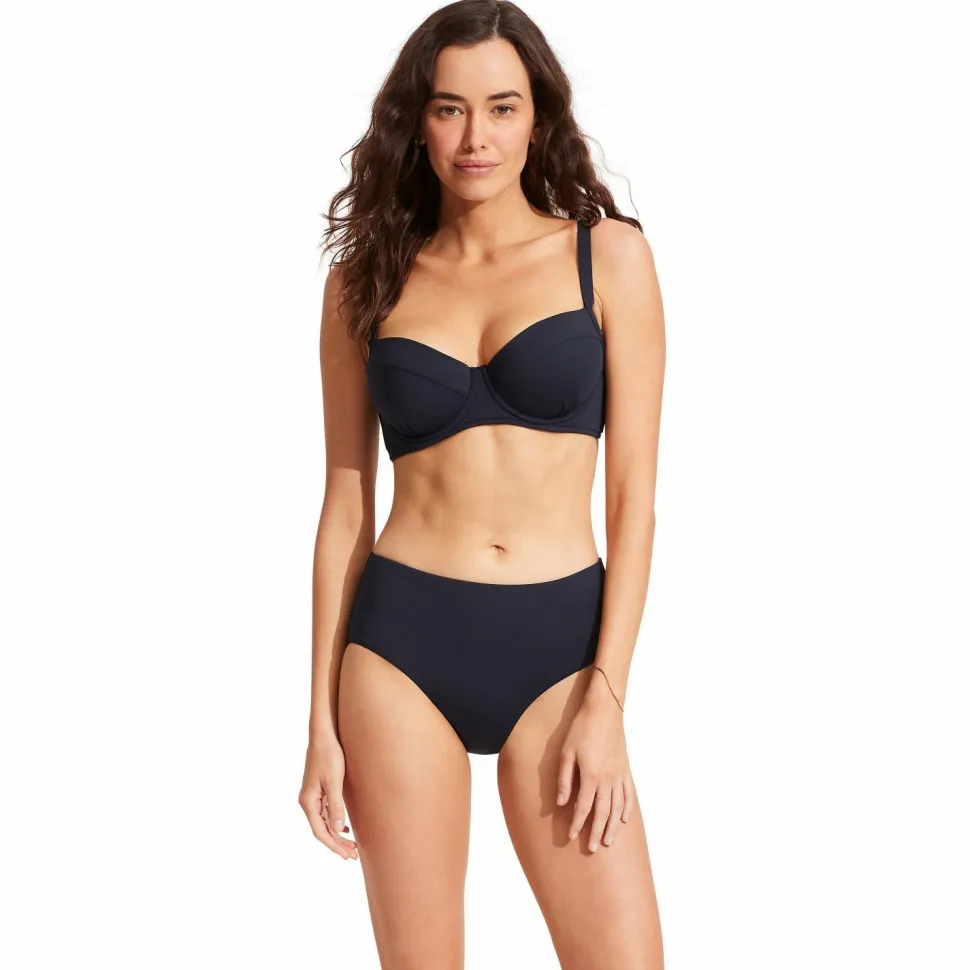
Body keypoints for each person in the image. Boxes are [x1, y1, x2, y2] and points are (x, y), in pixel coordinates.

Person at [300, 1, 665, 966]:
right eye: (449, 109)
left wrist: (608, 698)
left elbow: (633, 500)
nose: (475, 138)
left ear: (537, 118)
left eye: (501, 108)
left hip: (560, 652)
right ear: (417, 122)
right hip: (399, 651)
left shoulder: (607, 258)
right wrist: (319, 725)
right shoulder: (364, 282)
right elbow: (345, 506)